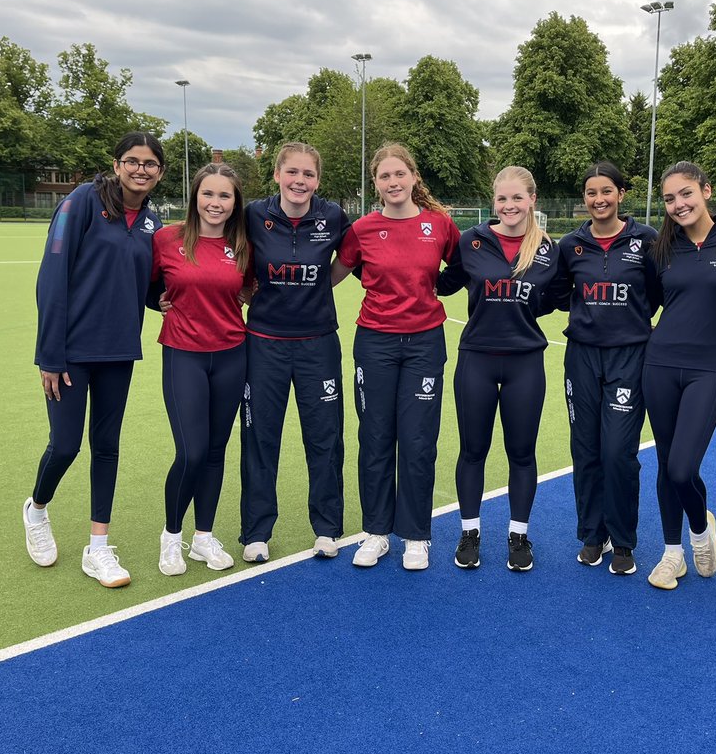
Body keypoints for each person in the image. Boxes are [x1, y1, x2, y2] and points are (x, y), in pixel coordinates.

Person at [25, 132, 165, 588]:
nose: (141, 170)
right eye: (133, 161)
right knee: (65, 445)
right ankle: (37, 509)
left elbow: (142, 283)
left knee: (107, 447)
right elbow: (53, 276)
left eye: (150, 164)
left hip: (119, 351)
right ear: (117, 163)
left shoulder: (151, 220)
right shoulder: (81, 202)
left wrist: (163, 299)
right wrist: (50, 354)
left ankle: (98, 549)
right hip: (70, 353)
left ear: (160, 172)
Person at [332, 143, 460, 571]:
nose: (392, 183)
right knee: (376, 438)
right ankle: (376, 532)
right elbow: (334, 272)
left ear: (413, 178)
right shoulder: (362, 229)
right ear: (376, 184)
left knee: (419, 442)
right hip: (375, 343)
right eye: (384, 177)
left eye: (399, 175)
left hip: (425, 343)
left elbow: (464, 268)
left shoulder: (439, 225)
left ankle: (416, 536)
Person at [642, 162, 716, 589]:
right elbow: (653, 303)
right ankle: (673, 553)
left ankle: (701, 531)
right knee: (664, 462)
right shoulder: (661, 249)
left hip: (708, 368)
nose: (678, 205)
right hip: (658, 365)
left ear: (706, 191)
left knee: (681, 467)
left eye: (686, 194)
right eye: (670, 198)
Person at [438, 166, 559, 571]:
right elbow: (443, 282)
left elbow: (556, 297)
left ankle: (518, 536)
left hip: (525, 361)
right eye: (502, 199)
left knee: (521, 452)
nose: (509, 206)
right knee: (473, 451)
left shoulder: (548, 249)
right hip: (477, 358)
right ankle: (469, 532)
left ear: (532, 201)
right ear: (494, 202)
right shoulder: (472, 241)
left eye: (517, 198)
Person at [238, 143, 350, 564]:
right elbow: (226, 256)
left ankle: (325, 529)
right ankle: (256, 531)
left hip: (318, 343)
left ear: (317, 180)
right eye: (293, 173)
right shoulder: (252, 215)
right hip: (264, 343)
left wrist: (322, 286)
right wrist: (247, 294)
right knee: (260, 437)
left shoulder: (333, 215)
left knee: (324, 437)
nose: (300, 181)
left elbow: (352, 257)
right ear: (277, 174)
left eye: (308, 174)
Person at [549, 162, 661, 575]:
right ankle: (592, 535)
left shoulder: (645, 239)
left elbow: (657, 292)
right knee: (587, 449)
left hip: (629, 357)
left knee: (618, 452)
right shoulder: (570, 244)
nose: (599, 199)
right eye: (591, 193)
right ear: (585, 199)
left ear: (621, 194)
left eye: (606, 191)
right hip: (581, 355)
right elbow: (561, 294)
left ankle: (624, 540)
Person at [150, 163, 250, 577]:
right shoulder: (166, 239)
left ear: (234, 202)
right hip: (183, 354)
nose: (215, 203)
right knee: (190, 451)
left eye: (224, 196)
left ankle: (203, 538)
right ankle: (172, 537)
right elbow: (147, 286)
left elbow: (250, 288)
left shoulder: (243, 244)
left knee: (214, 452)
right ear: (195, 197)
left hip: (232, 354)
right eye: (208, 194)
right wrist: (158, 300)